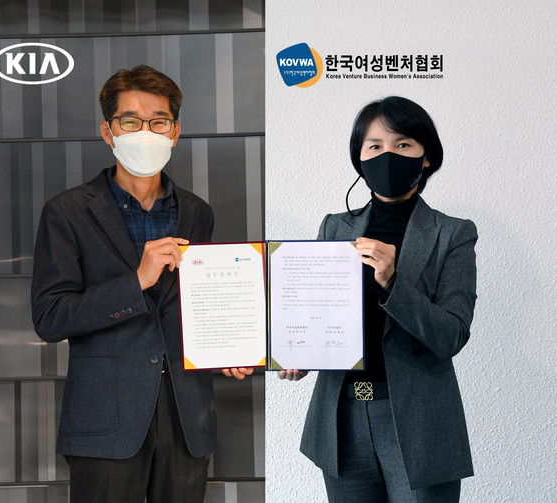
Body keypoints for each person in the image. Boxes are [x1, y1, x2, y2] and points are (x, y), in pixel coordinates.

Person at [31, 65, 253, 503]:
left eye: (158, 121)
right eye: (130, 121)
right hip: (105, 421)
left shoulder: (197, 212)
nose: (146, 132)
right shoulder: (67, 212)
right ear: (108, 131)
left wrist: (226, 351)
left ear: (175, 132)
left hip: (187, 418)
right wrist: (136, 281)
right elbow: (50, 317)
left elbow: (197, 307)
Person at [279, 96, 477, 502]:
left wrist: (392, 282)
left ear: (426, 157)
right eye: (375, 146)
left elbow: (451, 336)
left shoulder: (453, 234)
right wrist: (298, 354)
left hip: (417, 423)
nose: (388, 155)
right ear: (360, 158)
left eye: (403, 144)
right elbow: (316, 315)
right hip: (341, 417)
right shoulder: (335, 228)